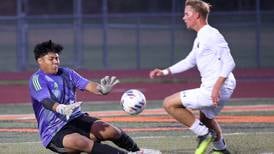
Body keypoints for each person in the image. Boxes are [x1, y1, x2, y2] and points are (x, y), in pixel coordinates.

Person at [29, 40, 161, 154]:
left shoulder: (67, 73)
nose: (56, 62)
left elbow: (87, 84)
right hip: (54, 131)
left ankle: (137, 151)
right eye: (51, 59)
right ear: (40, 61)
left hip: (76, 119)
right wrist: (61, 108)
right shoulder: (37, 79)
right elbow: (45, 100)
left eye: (57, 58)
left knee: (111, 130)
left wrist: (101, 89)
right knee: (82, 143)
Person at [149, 0, 236, 154]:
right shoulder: (201, 36)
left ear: (196, 15)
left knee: (169, 103)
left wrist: (216, 88)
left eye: (186, 14)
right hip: (219, 85)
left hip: (217, 86)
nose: (183, 17)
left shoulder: (211, 35)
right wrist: (165, 72)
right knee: (206, 118)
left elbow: (230, 63)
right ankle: (221, 150)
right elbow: (189, 61)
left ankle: (204, 134)